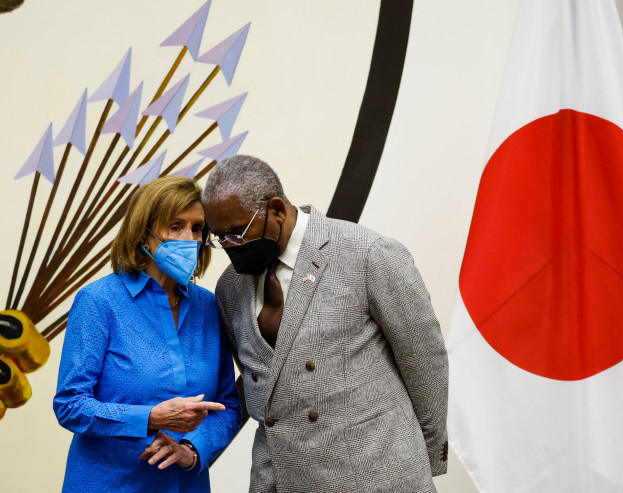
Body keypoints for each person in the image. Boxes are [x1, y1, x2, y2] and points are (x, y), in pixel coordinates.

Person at [202, 155, 449, 492]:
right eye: (220, 238)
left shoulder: (368, 253)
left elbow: (425, 362)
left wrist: (423, 463)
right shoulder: (230, 287)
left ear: (277, 209)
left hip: (377, 477)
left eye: (237, 233)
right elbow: (264, 385)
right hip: (284, 481)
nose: (231, 247)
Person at [54, 176, 241, 492]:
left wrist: (192, 449)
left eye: (197, 228)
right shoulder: (99, 301)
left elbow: (227, 407)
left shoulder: (209, 306)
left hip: (186, 484)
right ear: (143, 233)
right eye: (175, 226)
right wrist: (150, 417)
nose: (190, 239)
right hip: (111, 484)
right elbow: (70, 404)